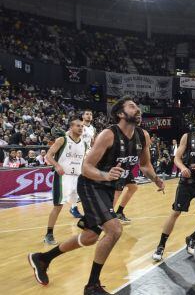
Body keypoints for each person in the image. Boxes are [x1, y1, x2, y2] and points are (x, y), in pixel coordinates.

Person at [28, 96, 165, 294]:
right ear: (120, 113)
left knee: (91, 237)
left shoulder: (143, 136)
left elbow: (144, 165)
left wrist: (156, 179)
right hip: (91, 184)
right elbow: (86, 167)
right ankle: (92, 285)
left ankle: (42, 258)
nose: (138, 110)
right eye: (132, 107)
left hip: (108, 188)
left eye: (137, 107)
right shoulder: (108, 135)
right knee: (115, 229)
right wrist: (105, 175)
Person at [152, 111, 195, 262]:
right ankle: (161, 246)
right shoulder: (187, 137)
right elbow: (177, 158)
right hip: (187, 183)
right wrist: (182, 168)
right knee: (176, 212)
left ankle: (193, 237)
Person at [43, 118, 88, 245]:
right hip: (64, 177)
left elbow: (83, 161)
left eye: (82, 126)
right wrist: (57, 166)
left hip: (78, 177)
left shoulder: (84, 144)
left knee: (87, 202)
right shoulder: (62, 140)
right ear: (71, 127)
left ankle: (87, 228)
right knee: (58, 206)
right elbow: (48, 155)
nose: (81, 128)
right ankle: (49, 234)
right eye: (78, 126)